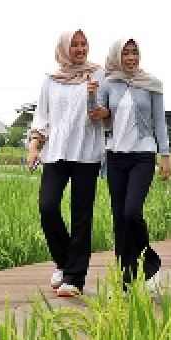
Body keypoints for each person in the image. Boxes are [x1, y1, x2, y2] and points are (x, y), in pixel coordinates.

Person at [27, 30, 106, 298]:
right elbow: (42, 115)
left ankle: (75, 277)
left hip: (86, 151)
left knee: (81, 214)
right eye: (75, 44)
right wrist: (34, 147)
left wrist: (98, 103)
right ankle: (63, 262)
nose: (80, 49)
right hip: (56, 151)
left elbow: (106, 113)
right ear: (64, 48)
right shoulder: (51, 80)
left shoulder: (98, 74)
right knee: (47, 206)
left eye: (84, 44)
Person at [92, 38, 171, 294]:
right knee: (119, 219)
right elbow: (97, 113)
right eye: (125, 53)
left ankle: (151, 264)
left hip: (143, 154)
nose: (130, 57)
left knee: (131, 213)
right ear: (117, 56)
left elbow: (159, 121)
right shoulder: (108, 83)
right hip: (116, 155)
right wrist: (92, 97)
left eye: (134, 53)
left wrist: (166, 155)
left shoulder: (151, 84)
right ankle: (126, 280)